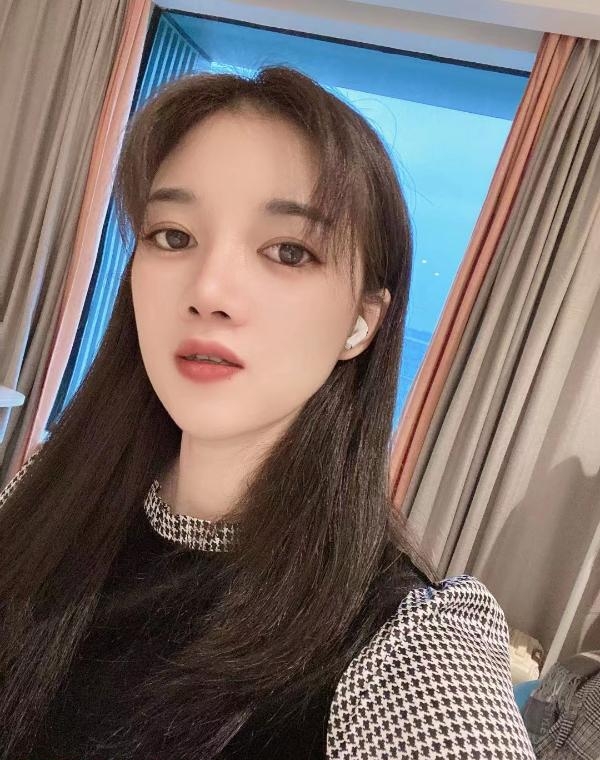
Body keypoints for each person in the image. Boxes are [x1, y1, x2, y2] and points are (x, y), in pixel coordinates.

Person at [0, 65, 535, 759]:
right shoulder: (47, 494)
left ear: (361, 322)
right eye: (173, 236)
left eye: (288, 251)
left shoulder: (406, 645)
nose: (210, 291)